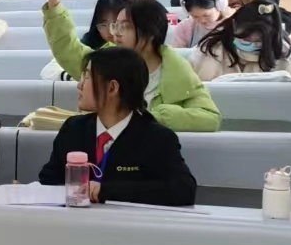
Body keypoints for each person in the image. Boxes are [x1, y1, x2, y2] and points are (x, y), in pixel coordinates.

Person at [36, 0, 221, 132]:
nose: (115, 33)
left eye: (124, 27)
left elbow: (209, 117)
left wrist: (152, 117)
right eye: (115, 25)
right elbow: (67, 48)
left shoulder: (176, 69)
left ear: (149, 33)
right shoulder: (107, 60)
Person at [37, 47, 197, 206]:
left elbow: (183, 189)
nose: (79, 85)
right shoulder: (74, 128)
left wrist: (106, 190)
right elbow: (48, 179)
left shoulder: (157, 138)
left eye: (87, 77)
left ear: (112, 88)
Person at [191, 0, 291, 82]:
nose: (252, 44)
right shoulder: (210, 51)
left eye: (259, 41)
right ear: (234, 26)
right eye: (246, 38)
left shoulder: (287, 56)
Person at [168, 0, 232, 49]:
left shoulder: (233, 26)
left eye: (206, 15)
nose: (202, 20)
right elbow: (177, 53)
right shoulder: (184, 27)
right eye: (195, 16)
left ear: (219, 6)